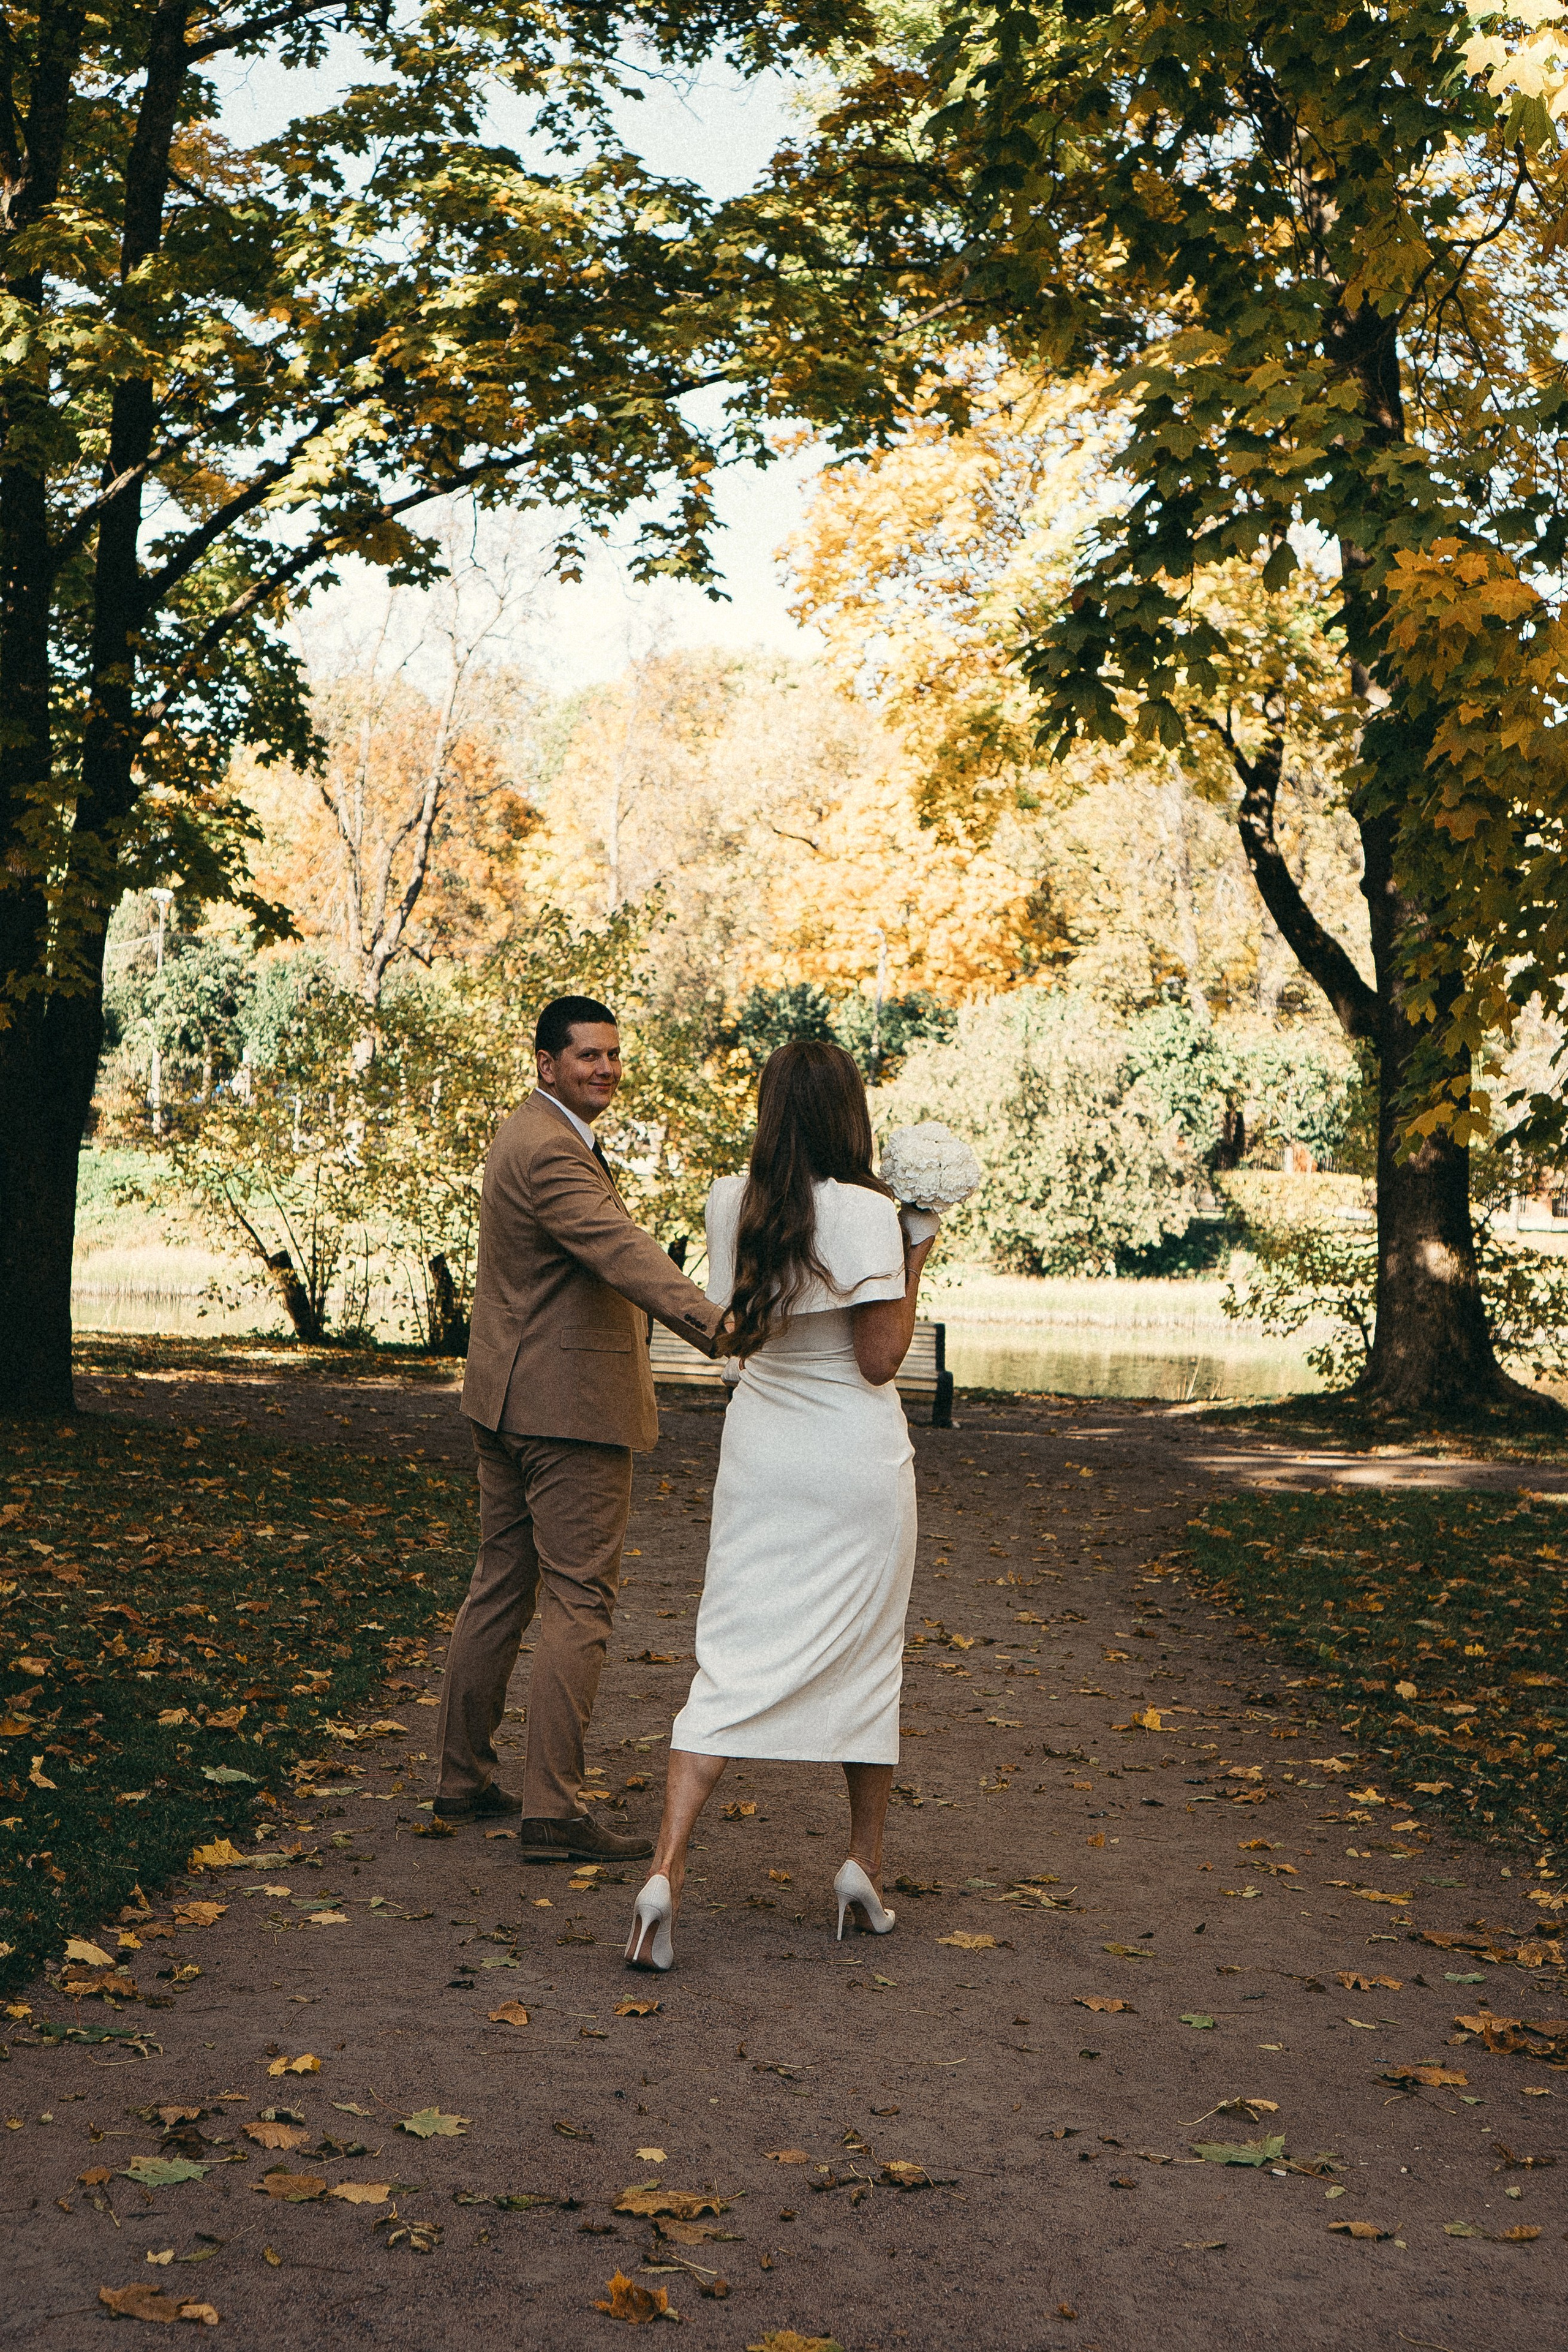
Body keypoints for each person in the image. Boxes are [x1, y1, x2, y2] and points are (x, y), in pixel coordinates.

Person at [624, 1039, 937, 1970]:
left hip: (761, 1453)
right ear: (852, 1115)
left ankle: (664, 1873)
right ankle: (861, 1867)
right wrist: (917, 1253)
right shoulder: (872, 1214)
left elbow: (733, 1338)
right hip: (854, 1461)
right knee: (870, 1659)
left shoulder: (734, 1201)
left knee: (730, 1654)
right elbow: (880, 1358)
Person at [434, 995, 729, 1863]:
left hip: (509, 1396)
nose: (603, 1069)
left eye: (612, 1056)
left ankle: (460, 1779)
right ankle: (553, 1811)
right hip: (565, 1411)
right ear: (545, 1063)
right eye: (586, 1056)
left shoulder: (528, 1131)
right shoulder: (551, 1147)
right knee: (579, 1599)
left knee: (502, 1585)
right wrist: (714, 1323)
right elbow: (619, 1249)